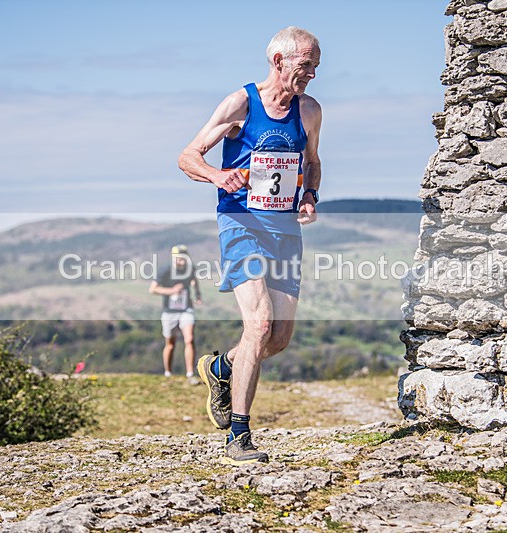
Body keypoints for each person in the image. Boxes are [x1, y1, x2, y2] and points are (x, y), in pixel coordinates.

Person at [178, 26, 322, 465]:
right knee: (258, 325)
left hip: (284, 231)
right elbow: (188, 156)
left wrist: (311, 196)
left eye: (316, 66)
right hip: (239, 224)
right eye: (306, 65)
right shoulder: (241, 103)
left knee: (277, 338)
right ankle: (238, 437)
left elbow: (312, 162)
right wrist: (219, 176)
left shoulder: (310, 111)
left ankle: (219, 368)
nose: (312, 74)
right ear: (278, 60)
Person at [149, 244, 202, 384]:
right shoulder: (165, 270)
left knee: (189, 339)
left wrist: (197, 294)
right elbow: (153, 289)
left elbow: (194, 280)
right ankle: (168, 373)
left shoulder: (190, 269)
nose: (183, 262)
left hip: (186, 309)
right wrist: (171, 291)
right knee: (170, 343)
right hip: (169, 312)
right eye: (180, 259)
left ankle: (190, 374)